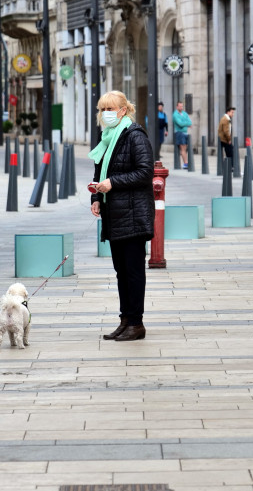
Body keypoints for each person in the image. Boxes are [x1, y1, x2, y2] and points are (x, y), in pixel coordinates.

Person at [89, 91, 155, 342]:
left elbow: (145, 173)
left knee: (134, 270)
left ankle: (136, 323)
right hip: (114, 212)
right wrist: (96, 197)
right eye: (102, 109)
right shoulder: (106, 136)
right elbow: (99, 170)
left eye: (110, 109)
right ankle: (125, 320)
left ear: (123, 110)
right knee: (121, 271)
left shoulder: (135, 135)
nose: (106, 114)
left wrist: (112, 183)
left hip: (134, 214)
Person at [172, 101, 192, 168]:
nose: (181, 107)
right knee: (182, 148)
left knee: (185, 148)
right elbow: (179, 124)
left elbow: (190, 122)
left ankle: (186, 162)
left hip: (185, 133)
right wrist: (186, 124)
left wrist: (185, 123)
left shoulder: (184, 113)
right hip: (179, 132)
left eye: (182, 106)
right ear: (177, 106)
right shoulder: (175, 114)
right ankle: (186, 163)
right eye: (180, 106)